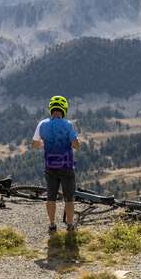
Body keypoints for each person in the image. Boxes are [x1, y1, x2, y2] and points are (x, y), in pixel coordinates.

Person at [32, 96, 81, 233]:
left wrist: (45, 143)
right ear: (64, 109)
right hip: (66, 166)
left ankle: (52, 225)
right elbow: (76, 145)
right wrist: (75, 141)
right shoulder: (68, 125)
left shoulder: (42, 124)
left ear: (51, 109)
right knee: (69, 198)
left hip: (50, 166)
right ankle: (70, 226)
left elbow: (35, 144)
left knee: (51, 197)